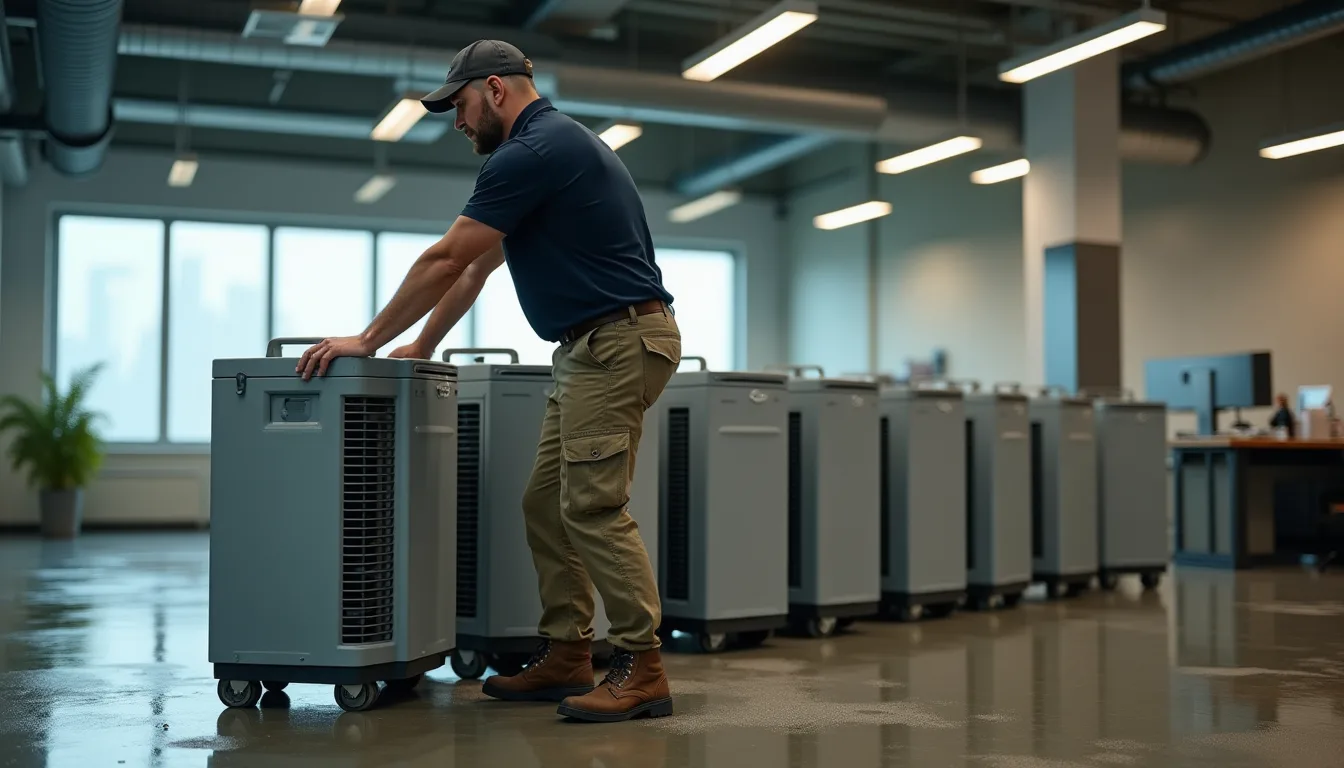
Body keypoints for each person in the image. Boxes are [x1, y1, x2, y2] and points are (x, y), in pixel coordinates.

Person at [294, 39, 681, 723]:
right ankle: (568, 652)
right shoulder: (547, 153)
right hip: (590, 347)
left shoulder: (533, 152)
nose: (457, 122)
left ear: (496, 89)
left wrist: (367, 340)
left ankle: (642, 667)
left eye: (461, 105)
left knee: (591, 506)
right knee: (544, 502)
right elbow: (475, 265)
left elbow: (445, 257)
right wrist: (422, 343)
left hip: (616, 343)